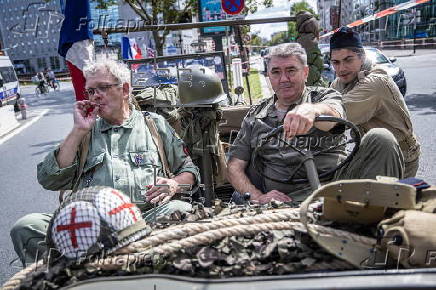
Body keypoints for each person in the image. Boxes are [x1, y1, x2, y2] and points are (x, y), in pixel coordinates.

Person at [10, 59, 200, 266]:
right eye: (90, 91)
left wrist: (173, 184)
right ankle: (66, 280)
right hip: (89, 225)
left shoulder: (153, 124)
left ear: (125, 90)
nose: (95, 96)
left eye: (103, 87)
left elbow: (189, 170)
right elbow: (48, 179)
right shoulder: (84, 132)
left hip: (145, 219)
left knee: (181, 209)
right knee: (26, 227)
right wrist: (78, 130)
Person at [227, 43, 404, 204]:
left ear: (305, 73)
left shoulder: (325, 96)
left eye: (291, 70)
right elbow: (235, 166)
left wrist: (312, 111)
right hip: (285, 200)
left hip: (338, 188)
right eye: (276, 72)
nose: (284, 79)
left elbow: (335, 113)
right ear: (268, 77)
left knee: (382, 138)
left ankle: (381, 222)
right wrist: (259, 197)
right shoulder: (256, 117)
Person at [329, 27, 420, 178]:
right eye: (336, 62)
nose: (341, 68)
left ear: (362, 57)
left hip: (401, 158)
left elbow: (337, 115)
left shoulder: (375, 82)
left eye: (348, 60)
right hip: (371, 151)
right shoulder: (339, 83)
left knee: (382, 200)